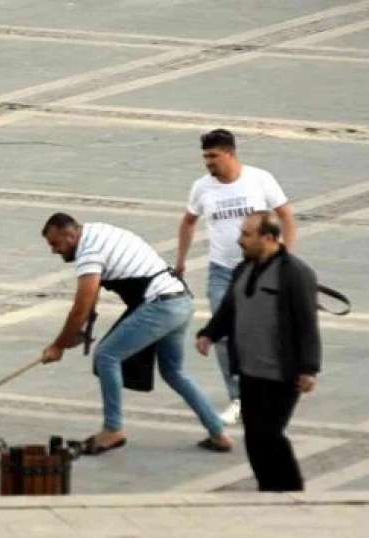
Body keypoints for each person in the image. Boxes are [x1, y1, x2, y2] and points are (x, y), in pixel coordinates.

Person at [39, 212, 233, 455]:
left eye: (56, 244)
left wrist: (58, 345)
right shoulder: (97, 231)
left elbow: (81, 304)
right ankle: (218, 433)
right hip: (179, 301)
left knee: (107, 356)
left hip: (160, 305)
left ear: (70, 234)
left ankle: (113, 429)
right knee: (174, 372)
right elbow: (91, 298)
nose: (54, 251)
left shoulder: (88, 250)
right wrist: (79, 331)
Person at [175, 129, 297, 426]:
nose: (208, 162)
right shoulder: (202, 187)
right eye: (205, 156)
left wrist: (283, 259)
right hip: (221, 271)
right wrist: (180, 262)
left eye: (213, 156)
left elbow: (286, 216)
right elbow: (188, 222)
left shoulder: (259, 179)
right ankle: (238, 396)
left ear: (230, 154)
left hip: (259, 268)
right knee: (223, 334)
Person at [196, 212, 320, 492]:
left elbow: (306, 324)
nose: (240, 240)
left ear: (268, 238)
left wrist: (309, 368)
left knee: (270, 433)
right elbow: (230, 308)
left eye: (246, 235)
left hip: (282, 373)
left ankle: (291, 489)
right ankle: (267, 487)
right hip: (250, 370)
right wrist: (209, 334)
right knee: (253, 436)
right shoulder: (244, 269)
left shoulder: (295, 274)